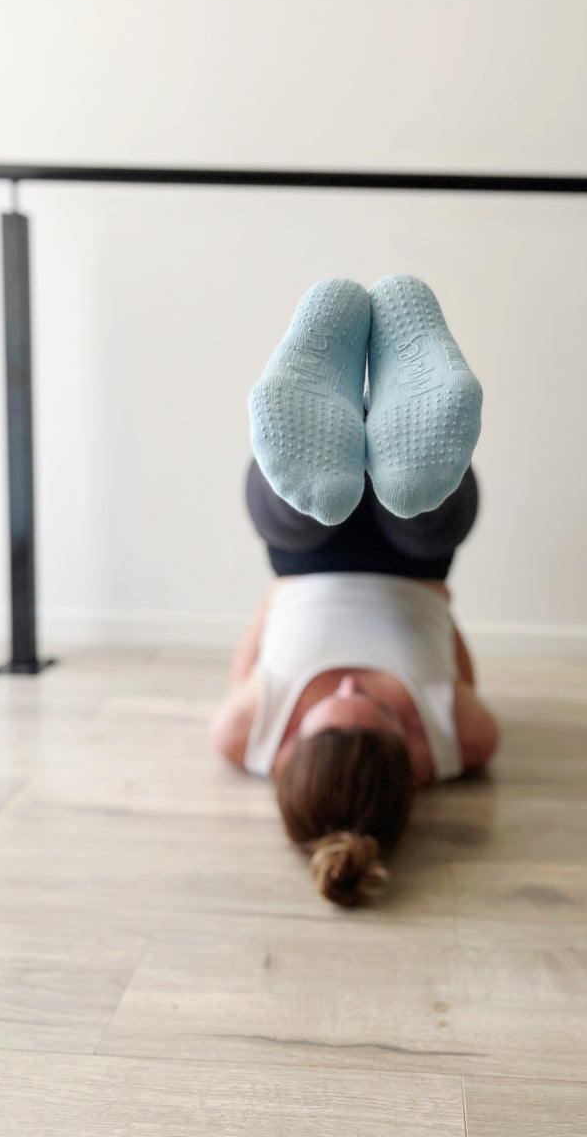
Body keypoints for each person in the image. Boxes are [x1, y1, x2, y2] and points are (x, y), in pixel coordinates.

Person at [210, 275, 499, 906]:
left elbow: (242, 673)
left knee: (301, 508)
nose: (347, 684)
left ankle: (318, 392)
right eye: (378, 709)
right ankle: (410, 422)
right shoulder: (458, 742)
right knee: (424, 509)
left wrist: (275, 597)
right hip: (411, 562)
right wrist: (441, 608)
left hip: (310, 559)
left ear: (289, 753)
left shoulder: (246, 735)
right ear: (409, 759)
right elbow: (464, 676)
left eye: (330, 705)